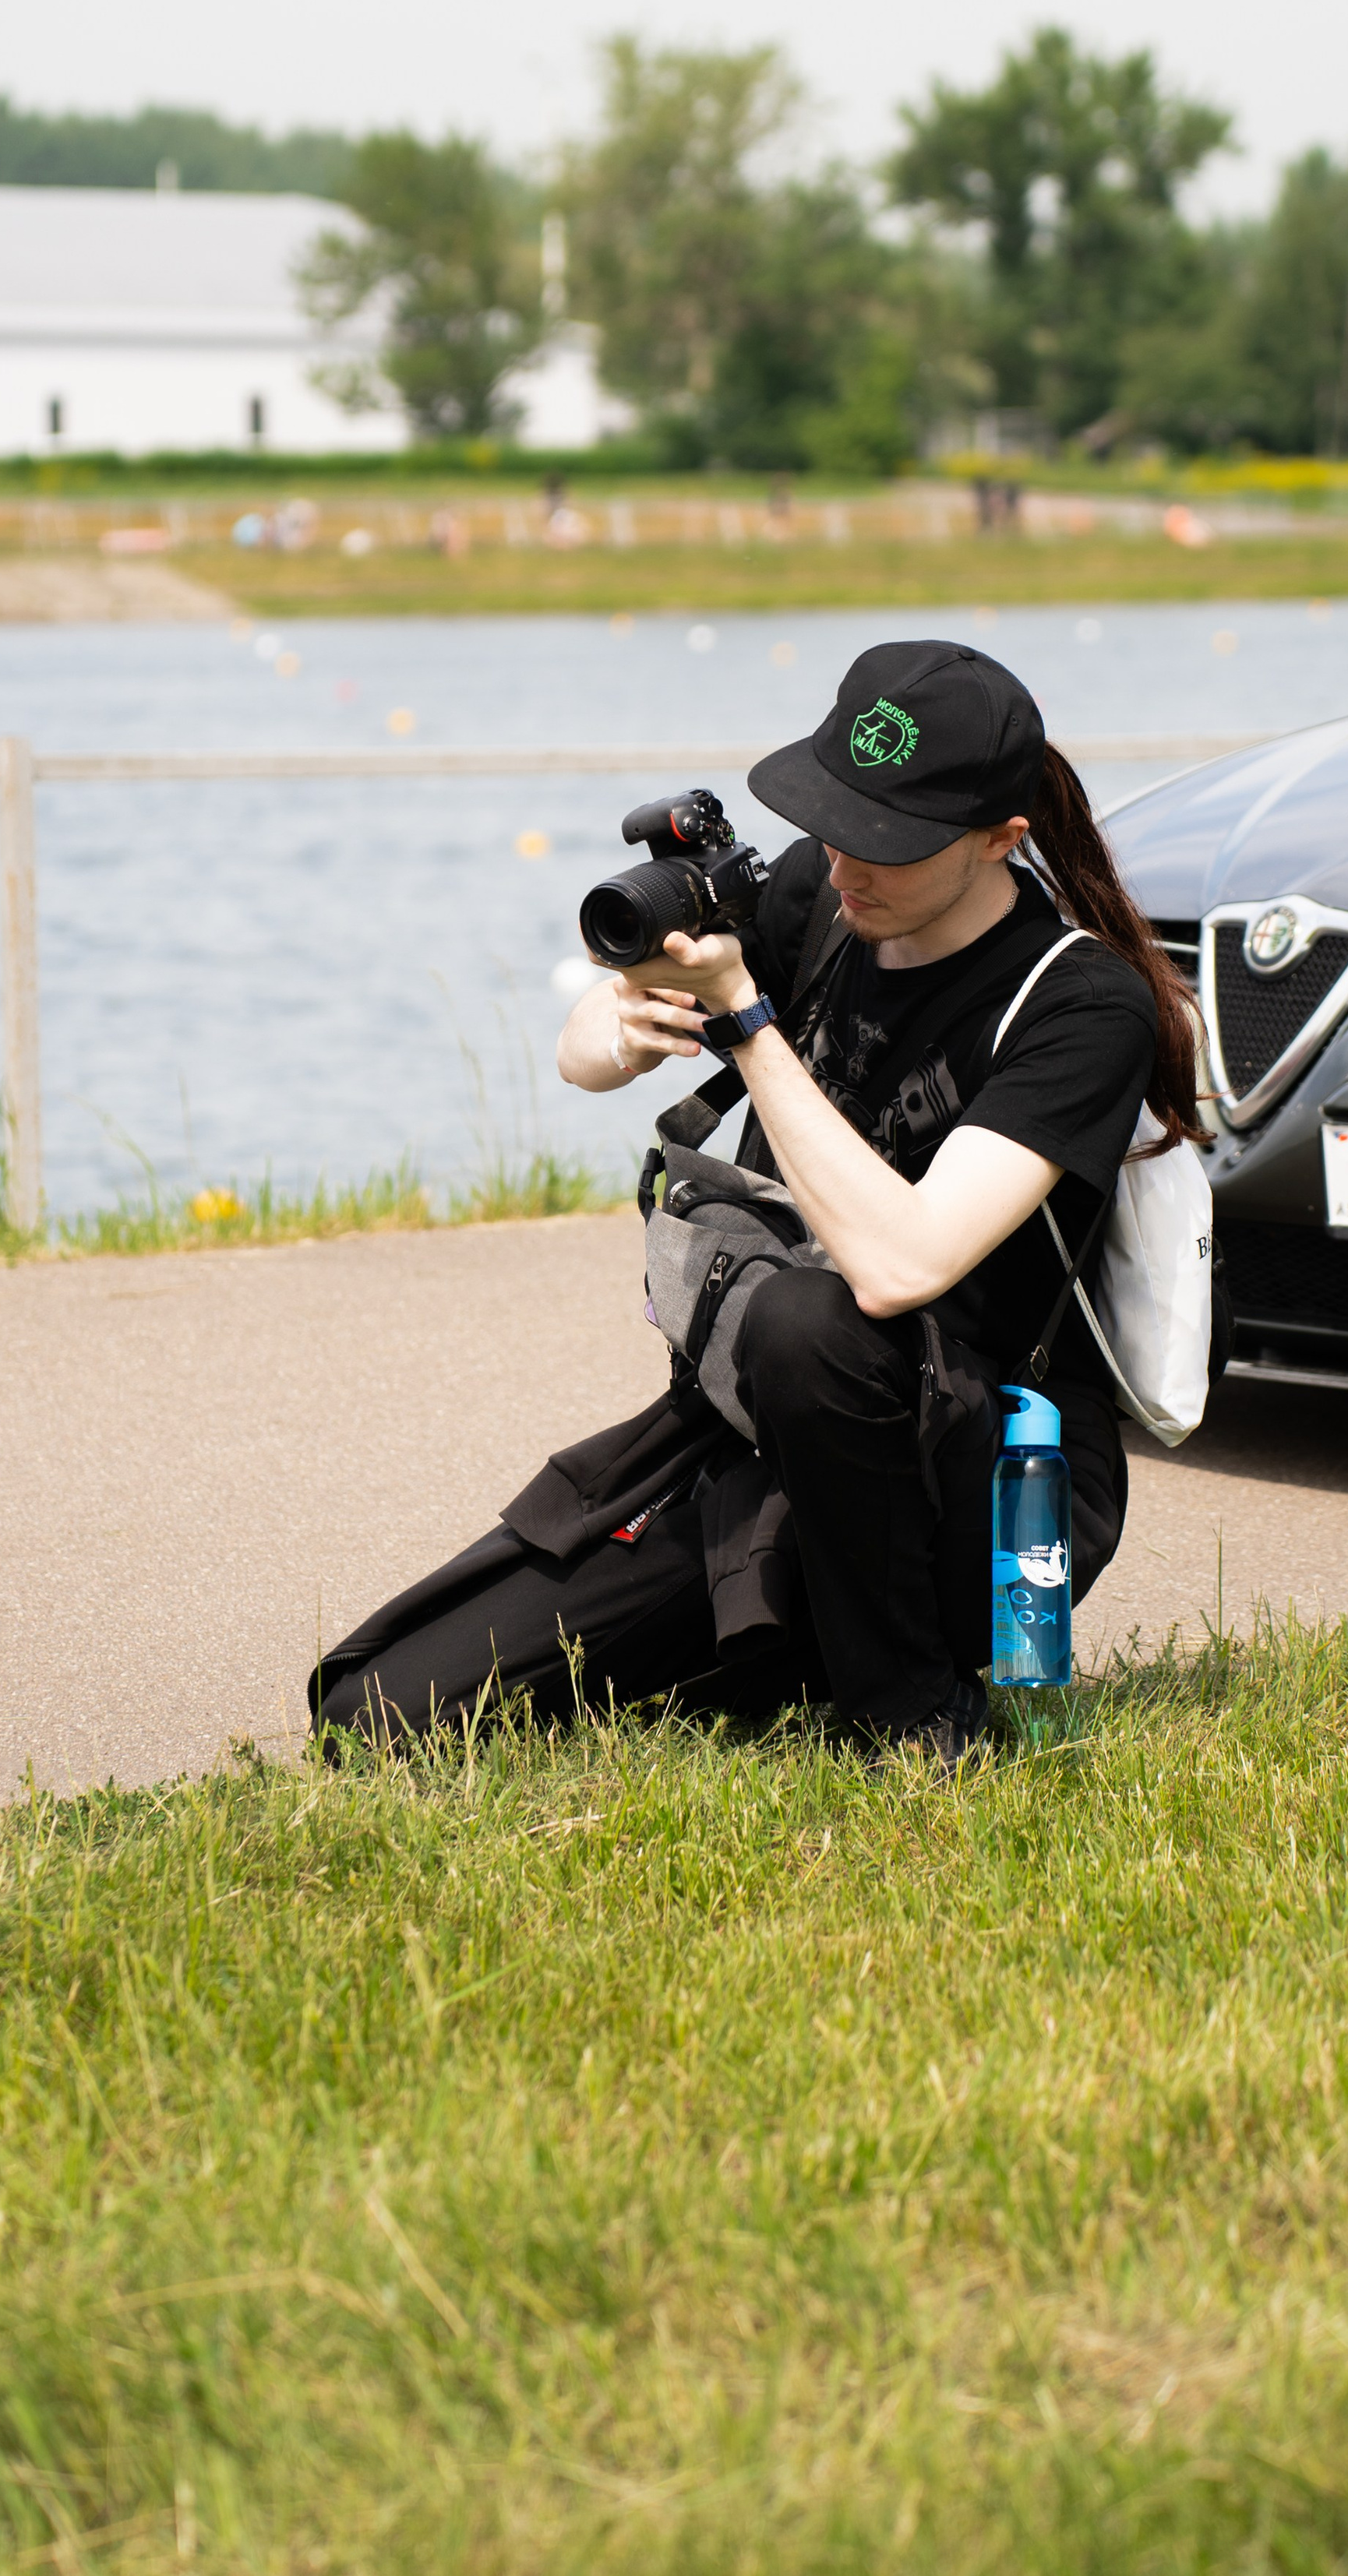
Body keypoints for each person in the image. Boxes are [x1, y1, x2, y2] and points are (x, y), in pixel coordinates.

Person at [311, 640, 1202, 1766]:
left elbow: (901, 1267)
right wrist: (620, 1023)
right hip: (757, 1439)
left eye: (888, 842)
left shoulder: (1076, 1003)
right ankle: (784, 1647)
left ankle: (918, 1719)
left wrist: (746, 1022)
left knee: (812, 1320)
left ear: (999, 841)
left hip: (982, 1494)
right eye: (834, 820)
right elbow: (586, 1051)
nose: (845, 866)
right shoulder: (821, 903)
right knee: (375, 1713)